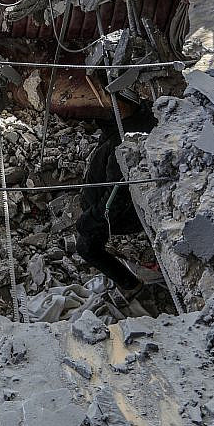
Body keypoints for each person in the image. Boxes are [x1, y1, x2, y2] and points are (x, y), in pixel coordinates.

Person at [75, 101, 158, 297]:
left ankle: (131, 285)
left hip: (118, 212)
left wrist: (89, 220)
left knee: (86, 247)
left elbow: (114, 201)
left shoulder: (124, 144)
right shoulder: (135, 117)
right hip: (103, 196)